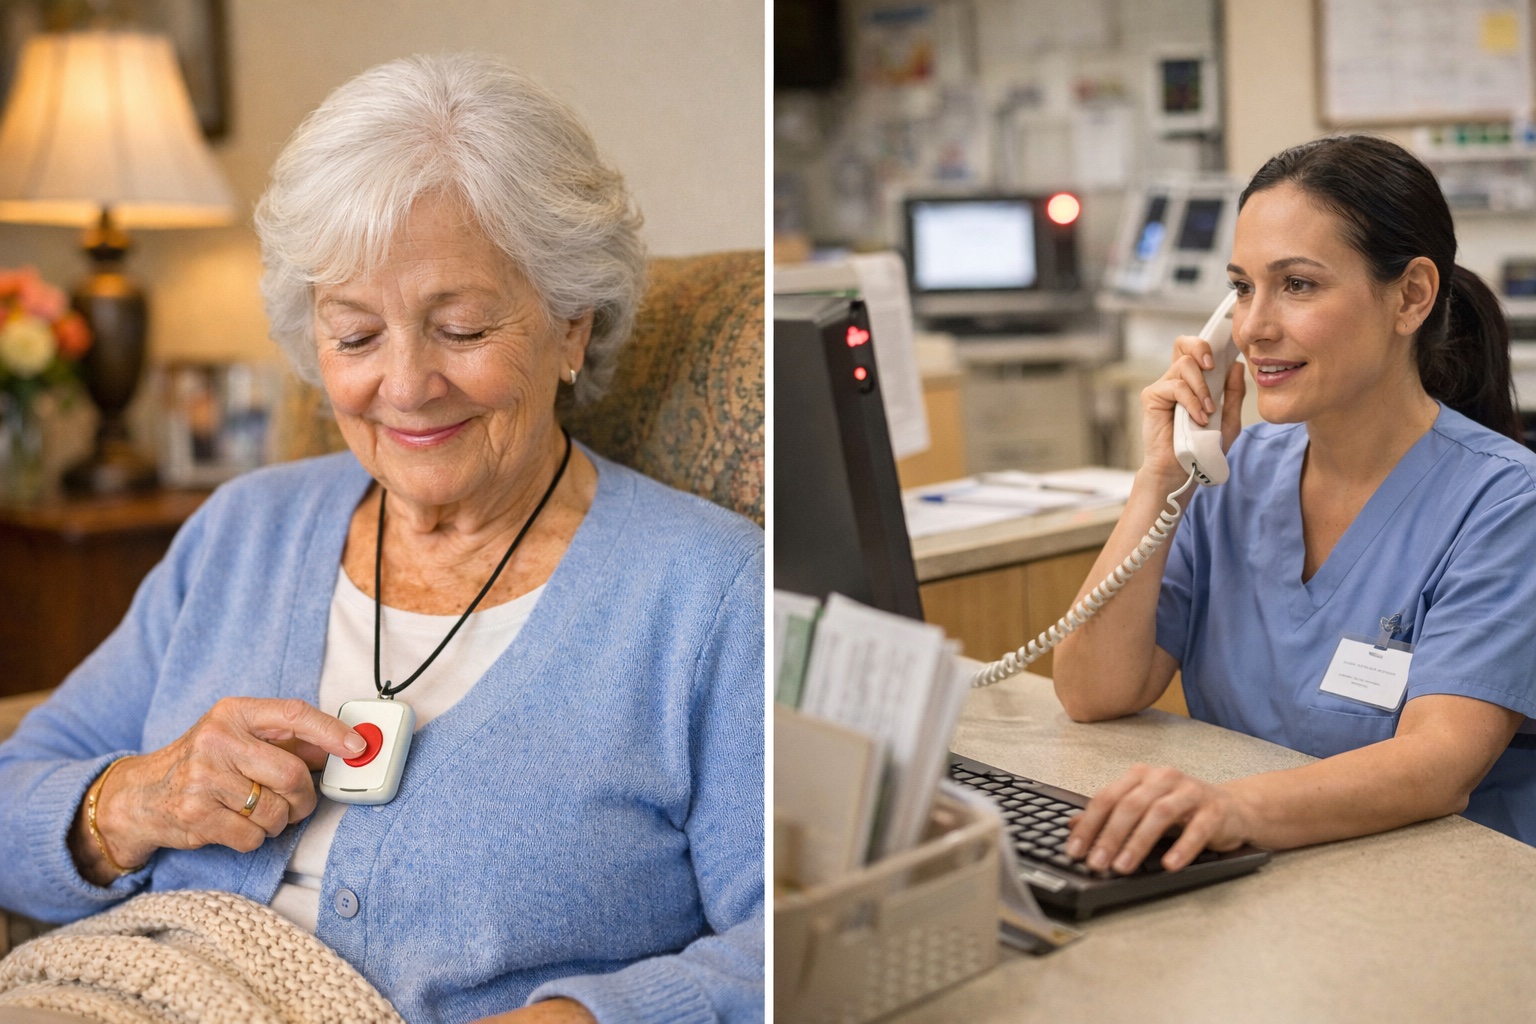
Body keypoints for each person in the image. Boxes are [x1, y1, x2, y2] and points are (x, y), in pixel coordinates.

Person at [0, 55, 762, 1024]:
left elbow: (788, 937)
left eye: (462, 328)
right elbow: (12, 788)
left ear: (573, 326)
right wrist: (133, 802)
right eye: (357, 335)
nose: (405, 385)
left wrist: (587, 1016)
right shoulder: (245, 528)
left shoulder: (709, 592)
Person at [1053, 134, 1536, 878]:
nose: (1252, 328)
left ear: (1410, 295)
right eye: (1242, 288)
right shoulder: (1229, 471)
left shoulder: (1505, 501)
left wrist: (1234, 810)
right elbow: (1094, 691)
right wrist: (1162, 476)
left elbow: (1440, 763)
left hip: (1443, 893)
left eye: (1298, 286)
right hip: (1263, 879)